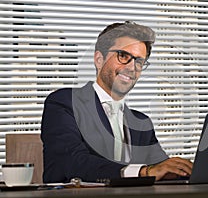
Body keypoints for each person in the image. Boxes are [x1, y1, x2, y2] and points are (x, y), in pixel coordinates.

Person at [41, 21, 193, 183]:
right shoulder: (64, 103)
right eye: (123, 56)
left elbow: (160, 168)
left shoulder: (141, 123)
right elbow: (73, 163)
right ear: (99, 59)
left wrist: (180, 170)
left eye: (139, 62)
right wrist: (143, 172)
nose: (132, 67)